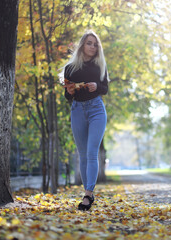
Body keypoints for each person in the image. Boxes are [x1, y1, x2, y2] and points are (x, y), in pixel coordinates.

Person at [62, 30, 108, 211]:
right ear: (82, 45)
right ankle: (87, 192)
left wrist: (97, 86)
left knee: (91, 152)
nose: (93, 47)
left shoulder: (100, 65)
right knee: (82, 154)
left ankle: (88, 195)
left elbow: (105, 88)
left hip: (97, 109)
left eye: (95, 44)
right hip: (78, 110)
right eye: (89, 43)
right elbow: (67, 94)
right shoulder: (70, 68)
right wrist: (71, 91)